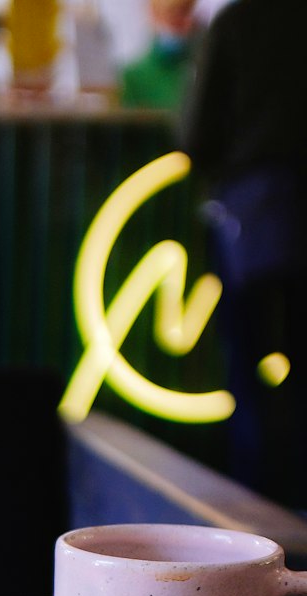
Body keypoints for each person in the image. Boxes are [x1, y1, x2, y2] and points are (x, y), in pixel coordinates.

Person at [179, 0, 307, 508]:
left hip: (252, 210)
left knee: (247, 360)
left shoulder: (236, 22)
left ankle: (256, 506)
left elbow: (198, 131)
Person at [119, 0, 200, 112]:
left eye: (184, 14)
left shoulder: (200, 70)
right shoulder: (133, 76)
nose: (178, 22)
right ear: (154, 16)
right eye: (171, 17)